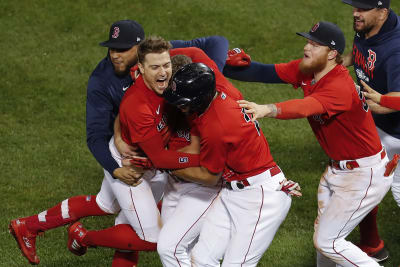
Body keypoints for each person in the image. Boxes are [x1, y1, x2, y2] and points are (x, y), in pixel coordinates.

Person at [8, 19, 230, 266]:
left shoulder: (159, 59)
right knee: (155, 237)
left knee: (107, 206)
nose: (115, 55)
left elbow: (214, 45)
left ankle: (28, 226)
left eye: (122, 49)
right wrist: (116, 166)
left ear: (141, 51)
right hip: (131, 161)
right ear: (142, 68)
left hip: (147, 154)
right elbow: (98, 135)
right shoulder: (105, 83)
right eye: (112, 49)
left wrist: (215, 73)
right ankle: (84, 237)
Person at [237, 21, 394, 267]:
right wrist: (215, 64)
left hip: (365, 174)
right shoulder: (307, 71)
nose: (306, 47)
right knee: (325, 243)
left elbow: (305, 107)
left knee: (328, 242)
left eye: (314, 44)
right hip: (338, 171)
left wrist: (267, 109)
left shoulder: (339, 86)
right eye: (307, 41)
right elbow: (264, 72)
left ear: (332, 54)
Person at [162, 61, 300, 266]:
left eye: (184, 101)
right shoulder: (220, 94)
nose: (180, 106)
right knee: (201, 258)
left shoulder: (217, 126)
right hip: (233, 190)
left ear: (200, 99)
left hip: (260, 196)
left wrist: (169, 164)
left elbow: (209, 177)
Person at [341, 0, 400, 261]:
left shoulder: (396, 51)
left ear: (383, 12)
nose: (356, 13)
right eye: (355, 7)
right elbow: (359, 52)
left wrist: (373, 105)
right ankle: (372, 244)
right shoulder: (367, 26)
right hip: (378, 128)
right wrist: (338, 65)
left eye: (363, 9)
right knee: (360, 182)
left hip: (396, 134)